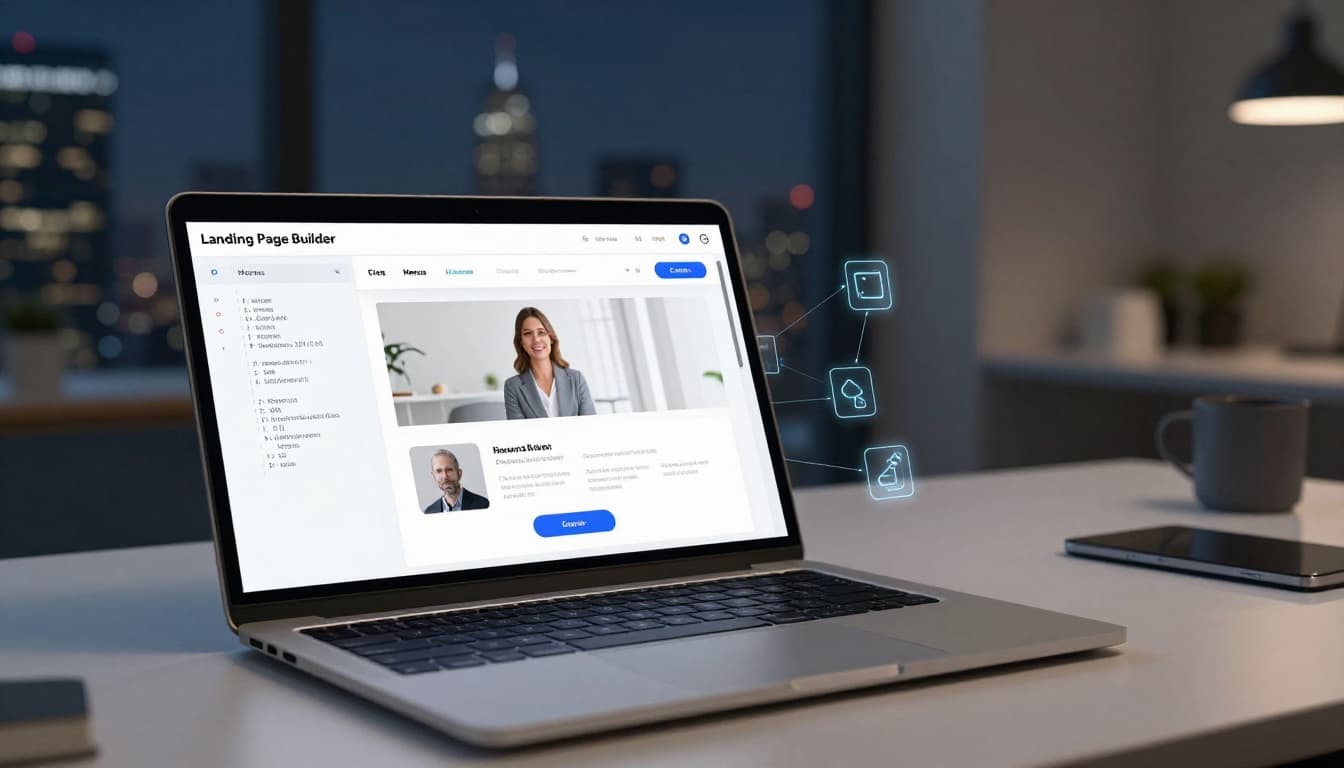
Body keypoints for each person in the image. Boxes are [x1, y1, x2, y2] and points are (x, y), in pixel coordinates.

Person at [503, 306, 596, 419]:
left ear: (551, 338)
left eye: (541, 332)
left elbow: (590, 425)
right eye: (528, 333)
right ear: (521, 342)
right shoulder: (513, 387)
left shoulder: (576, 379)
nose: (536, 339)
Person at [422, 448, 489, 513]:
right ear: (434, 476)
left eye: (449, 470)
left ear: (459, 473)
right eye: (439, 471)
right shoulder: (429, 512)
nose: (445, 476)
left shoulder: (484, 505)